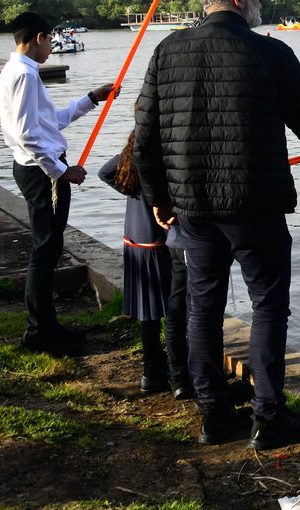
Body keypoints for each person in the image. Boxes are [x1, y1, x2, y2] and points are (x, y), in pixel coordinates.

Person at [133, 0, 300, 451]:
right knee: (268, 308)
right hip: (254, 207)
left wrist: (159, 197)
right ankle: (268, 419)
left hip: (191, 208)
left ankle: (214, 417)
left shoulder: (166, 49)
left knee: (203, 309)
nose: (260, 0)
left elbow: (146, 136)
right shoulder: (269, 52)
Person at [0, 11, 118, 354]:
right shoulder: (23, 76)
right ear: (38, 37)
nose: (51, 46)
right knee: (45, 250)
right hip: (41, 173)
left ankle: (46, 325)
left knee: (47, 248)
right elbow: (27, 135)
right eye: (50, 39)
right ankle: (40, 331)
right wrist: (60, 171)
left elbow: (49, 123)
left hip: (38, 169)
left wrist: (91, 98)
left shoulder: (18, 72)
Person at [99, 130, 190, 399]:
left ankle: (151, 374)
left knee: (147, 312)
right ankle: (177, 372)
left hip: (133, 241)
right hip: (158, 242)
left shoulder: (129, 159)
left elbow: (105, 171)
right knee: (174, 309)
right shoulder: (161, 160)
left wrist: (127, 189)